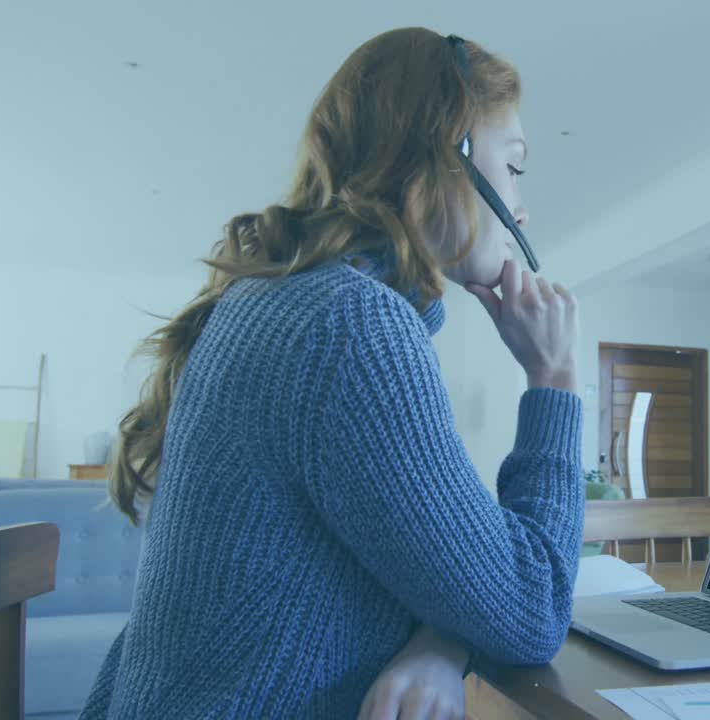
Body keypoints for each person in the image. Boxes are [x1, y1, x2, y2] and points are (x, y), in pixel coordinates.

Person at [81, 28, 583, 720]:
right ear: (449, 153)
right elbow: (533, 607)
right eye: (515, 165)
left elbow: (443, 565)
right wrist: (553, 380)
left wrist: (440, 641)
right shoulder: (353, 329)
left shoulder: (291, 302)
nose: (521, 207)